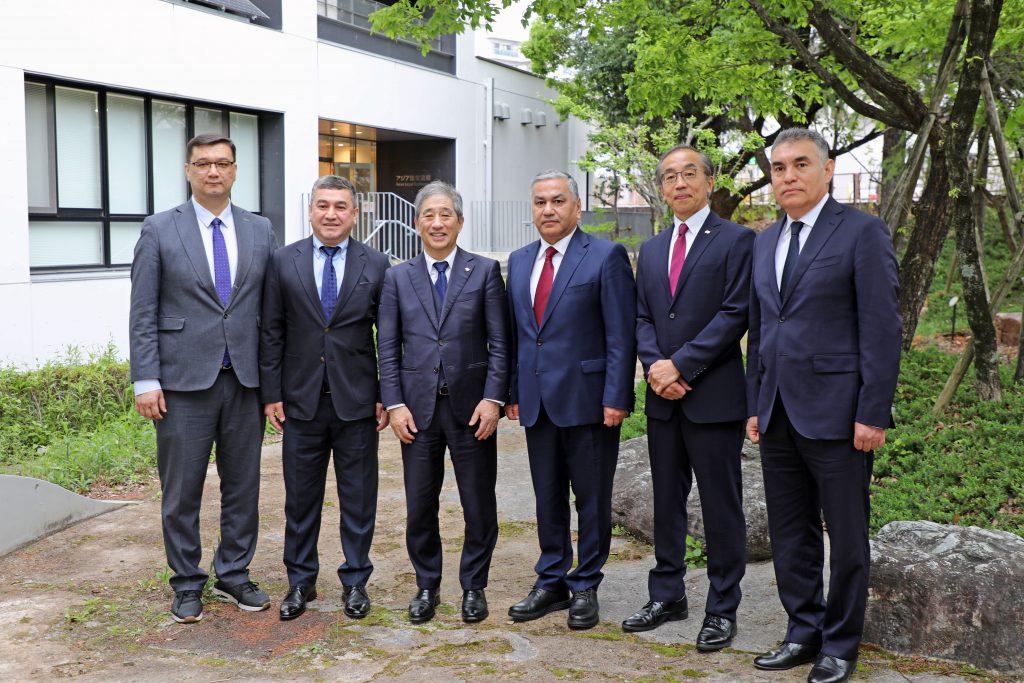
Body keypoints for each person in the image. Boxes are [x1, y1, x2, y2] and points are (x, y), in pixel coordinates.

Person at [746, 128, 900, 683]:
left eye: (800, 164)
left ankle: (840, 644)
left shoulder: (862, 233)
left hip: (839, 413)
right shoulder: (764, 240)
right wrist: (754, 403)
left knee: (847, 534)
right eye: (778, 167)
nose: (787, 176)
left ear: (828, 169)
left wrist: (874, 411)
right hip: (778, 411)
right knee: (791, 531)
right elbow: (762, 327)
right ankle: (802, 631)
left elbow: (882, 328)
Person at [130, 133, 276, 623]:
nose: (213, 172)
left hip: (245, 381)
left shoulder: (260, 230)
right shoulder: (159, 229)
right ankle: (187, 582)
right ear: (189, 171)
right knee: (182, 491)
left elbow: (270, 311)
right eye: (203, 164)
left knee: (243, 487)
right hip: (180, 383)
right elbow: (143, 310)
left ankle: (233, 573)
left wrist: (275, 385)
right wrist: (145, 379)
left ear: (235, 170)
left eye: (222, 163)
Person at [625, 146, 753, 651]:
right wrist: (657, 368)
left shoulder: (737, 240)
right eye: (670, 176)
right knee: (666, 502)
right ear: (661, 187)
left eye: (689, 174)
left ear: (708, 181)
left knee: (722, 506)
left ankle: (722, 608)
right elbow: (641, 317)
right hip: (663, 399)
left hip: (713, 395)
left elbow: (735, 312)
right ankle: (668, 594)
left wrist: (681, 364)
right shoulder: (652, 249)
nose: (679, 183)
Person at [505, 170, 637, 630]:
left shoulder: (605, 256)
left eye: (558, 201)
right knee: (546, 497)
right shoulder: (520, 262)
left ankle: (586, 585)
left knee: (592, 498)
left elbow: (622, 334)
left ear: (576, 207)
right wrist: (512, 392)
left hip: (590, 401)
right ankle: (552, 580)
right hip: (537, 401)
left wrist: (617, 395)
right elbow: (518, 336)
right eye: (540, 202)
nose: (548, 210)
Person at [377, 181, 510, 625]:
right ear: (417, 223)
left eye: (446, 214)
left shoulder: (485, 271)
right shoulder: (397, 276)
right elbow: (388, 348)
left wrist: (493, 399)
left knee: (478, 503)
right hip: (416, 412)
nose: (437, 223)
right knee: (420, 503)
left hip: (472, 410)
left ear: (459, 221)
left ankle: (474, 586)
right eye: (429, 215)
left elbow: (500, 343)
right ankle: (426, 585)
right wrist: (394, 404)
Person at [259, 175, 391, 622]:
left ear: (355, 214)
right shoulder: (282, 261)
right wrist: (271, 393)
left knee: (358, 498)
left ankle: (355, 581)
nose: (331, 214)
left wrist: (384, 395)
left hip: (357, 402)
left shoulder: (376, 263)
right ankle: (301, 581)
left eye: (340, 206)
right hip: (300, 402)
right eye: (322, 206)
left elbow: (388, 337)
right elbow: (272, 330)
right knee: (300, 499)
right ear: (311, 211)